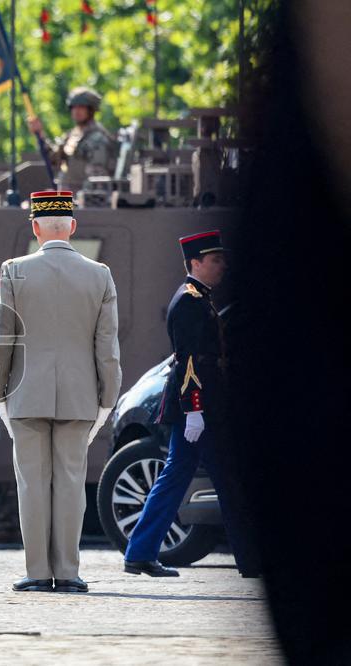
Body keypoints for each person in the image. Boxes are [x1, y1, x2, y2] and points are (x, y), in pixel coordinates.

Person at [0, 190, 121, 594]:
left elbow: (0, 339)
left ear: (35, 227)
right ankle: (68, 571)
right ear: (73, 227)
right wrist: (107, 399)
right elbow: (107, 345)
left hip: (27, 394)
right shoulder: (100, 274)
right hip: (81, 397)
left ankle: (37, 571)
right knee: (70, 483)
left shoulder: (14, 270)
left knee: (31, 483)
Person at [123, 230, 259, 578]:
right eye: (215, 260)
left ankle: (140, 552)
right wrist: (195, 409)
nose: (222, 266)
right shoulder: (188, 300)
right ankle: (251, 560)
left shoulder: (200, 297)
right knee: (222, 481)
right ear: (195, 262)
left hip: (204, 407)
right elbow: (190, 363)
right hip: (199, 409)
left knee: (183, 477)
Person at [28, 86, 116, 193]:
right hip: (69, 197)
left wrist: (73, 195)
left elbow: (97, 180)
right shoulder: (72, 135)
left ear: (91, 110)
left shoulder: (97, 139)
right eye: (74, 107)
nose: (76, 111)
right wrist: (40, 135)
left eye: (81, 107)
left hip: (85, 201)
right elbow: (54, 159)